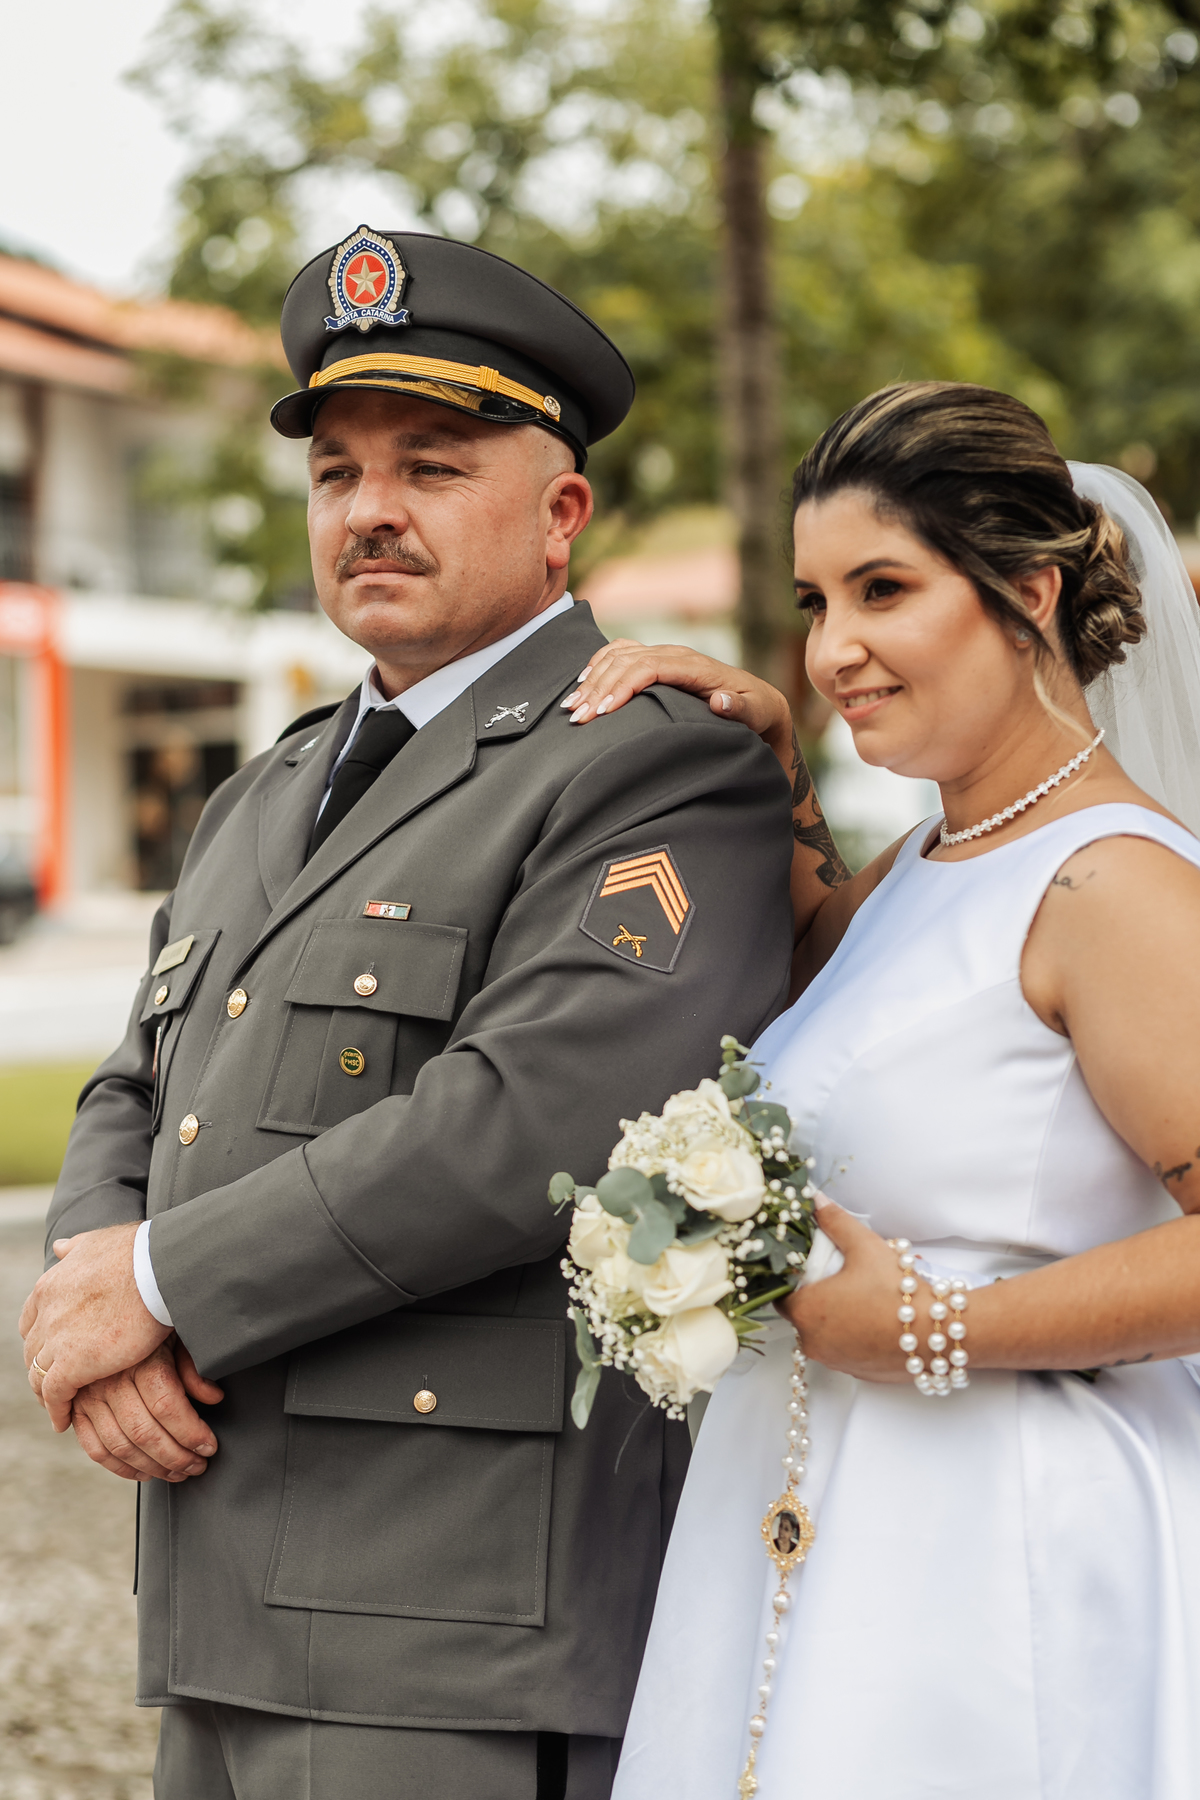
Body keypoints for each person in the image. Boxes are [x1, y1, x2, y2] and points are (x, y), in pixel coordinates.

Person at [16, 228, 821, 1800]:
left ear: (562, 515)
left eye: (431, 468)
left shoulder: (652, 762)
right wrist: (93, 1288)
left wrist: (164, 1284)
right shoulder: (260, 794)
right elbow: (135, 1086)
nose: (369, 510)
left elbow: (532, 1121)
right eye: (337, 473)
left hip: (449, 1616)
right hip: (219, 1587)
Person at [568, 381, 1200, 1799]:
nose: (832, 648)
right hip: (823, 1505)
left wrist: (933, 1328)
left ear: (1027, 592)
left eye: (884, 590)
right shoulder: (927, 861)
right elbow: (833, 1008)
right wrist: (773, 772)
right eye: (816, 601)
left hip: (996, 1544)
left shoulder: (1113, 886)